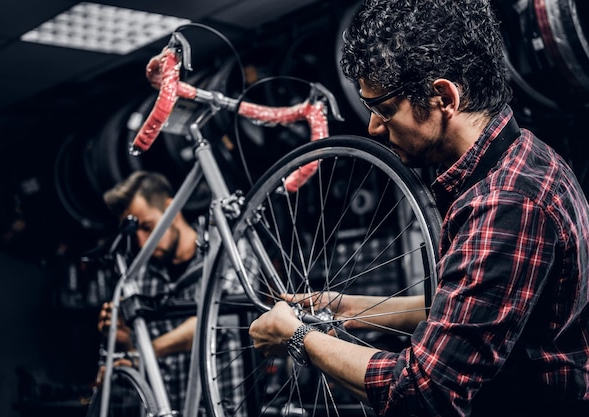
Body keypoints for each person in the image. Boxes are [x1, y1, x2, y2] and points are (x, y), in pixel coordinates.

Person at [248, 1, 589, 416]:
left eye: (384, 109)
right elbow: (475, 313)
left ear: (444, 96)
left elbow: (424, 393)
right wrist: (351, 309)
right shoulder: (530, 158)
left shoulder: (505, 202)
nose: (373, 127)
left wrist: (297, 335)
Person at [96, 170, 254, 413]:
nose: (141, 242)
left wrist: (141, 353)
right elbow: (144, 364)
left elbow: (219, 322)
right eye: (133, 232)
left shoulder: (227, 251)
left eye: (147, 227)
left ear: (171, 209)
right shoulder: (138, 277)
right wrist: (125, 338)